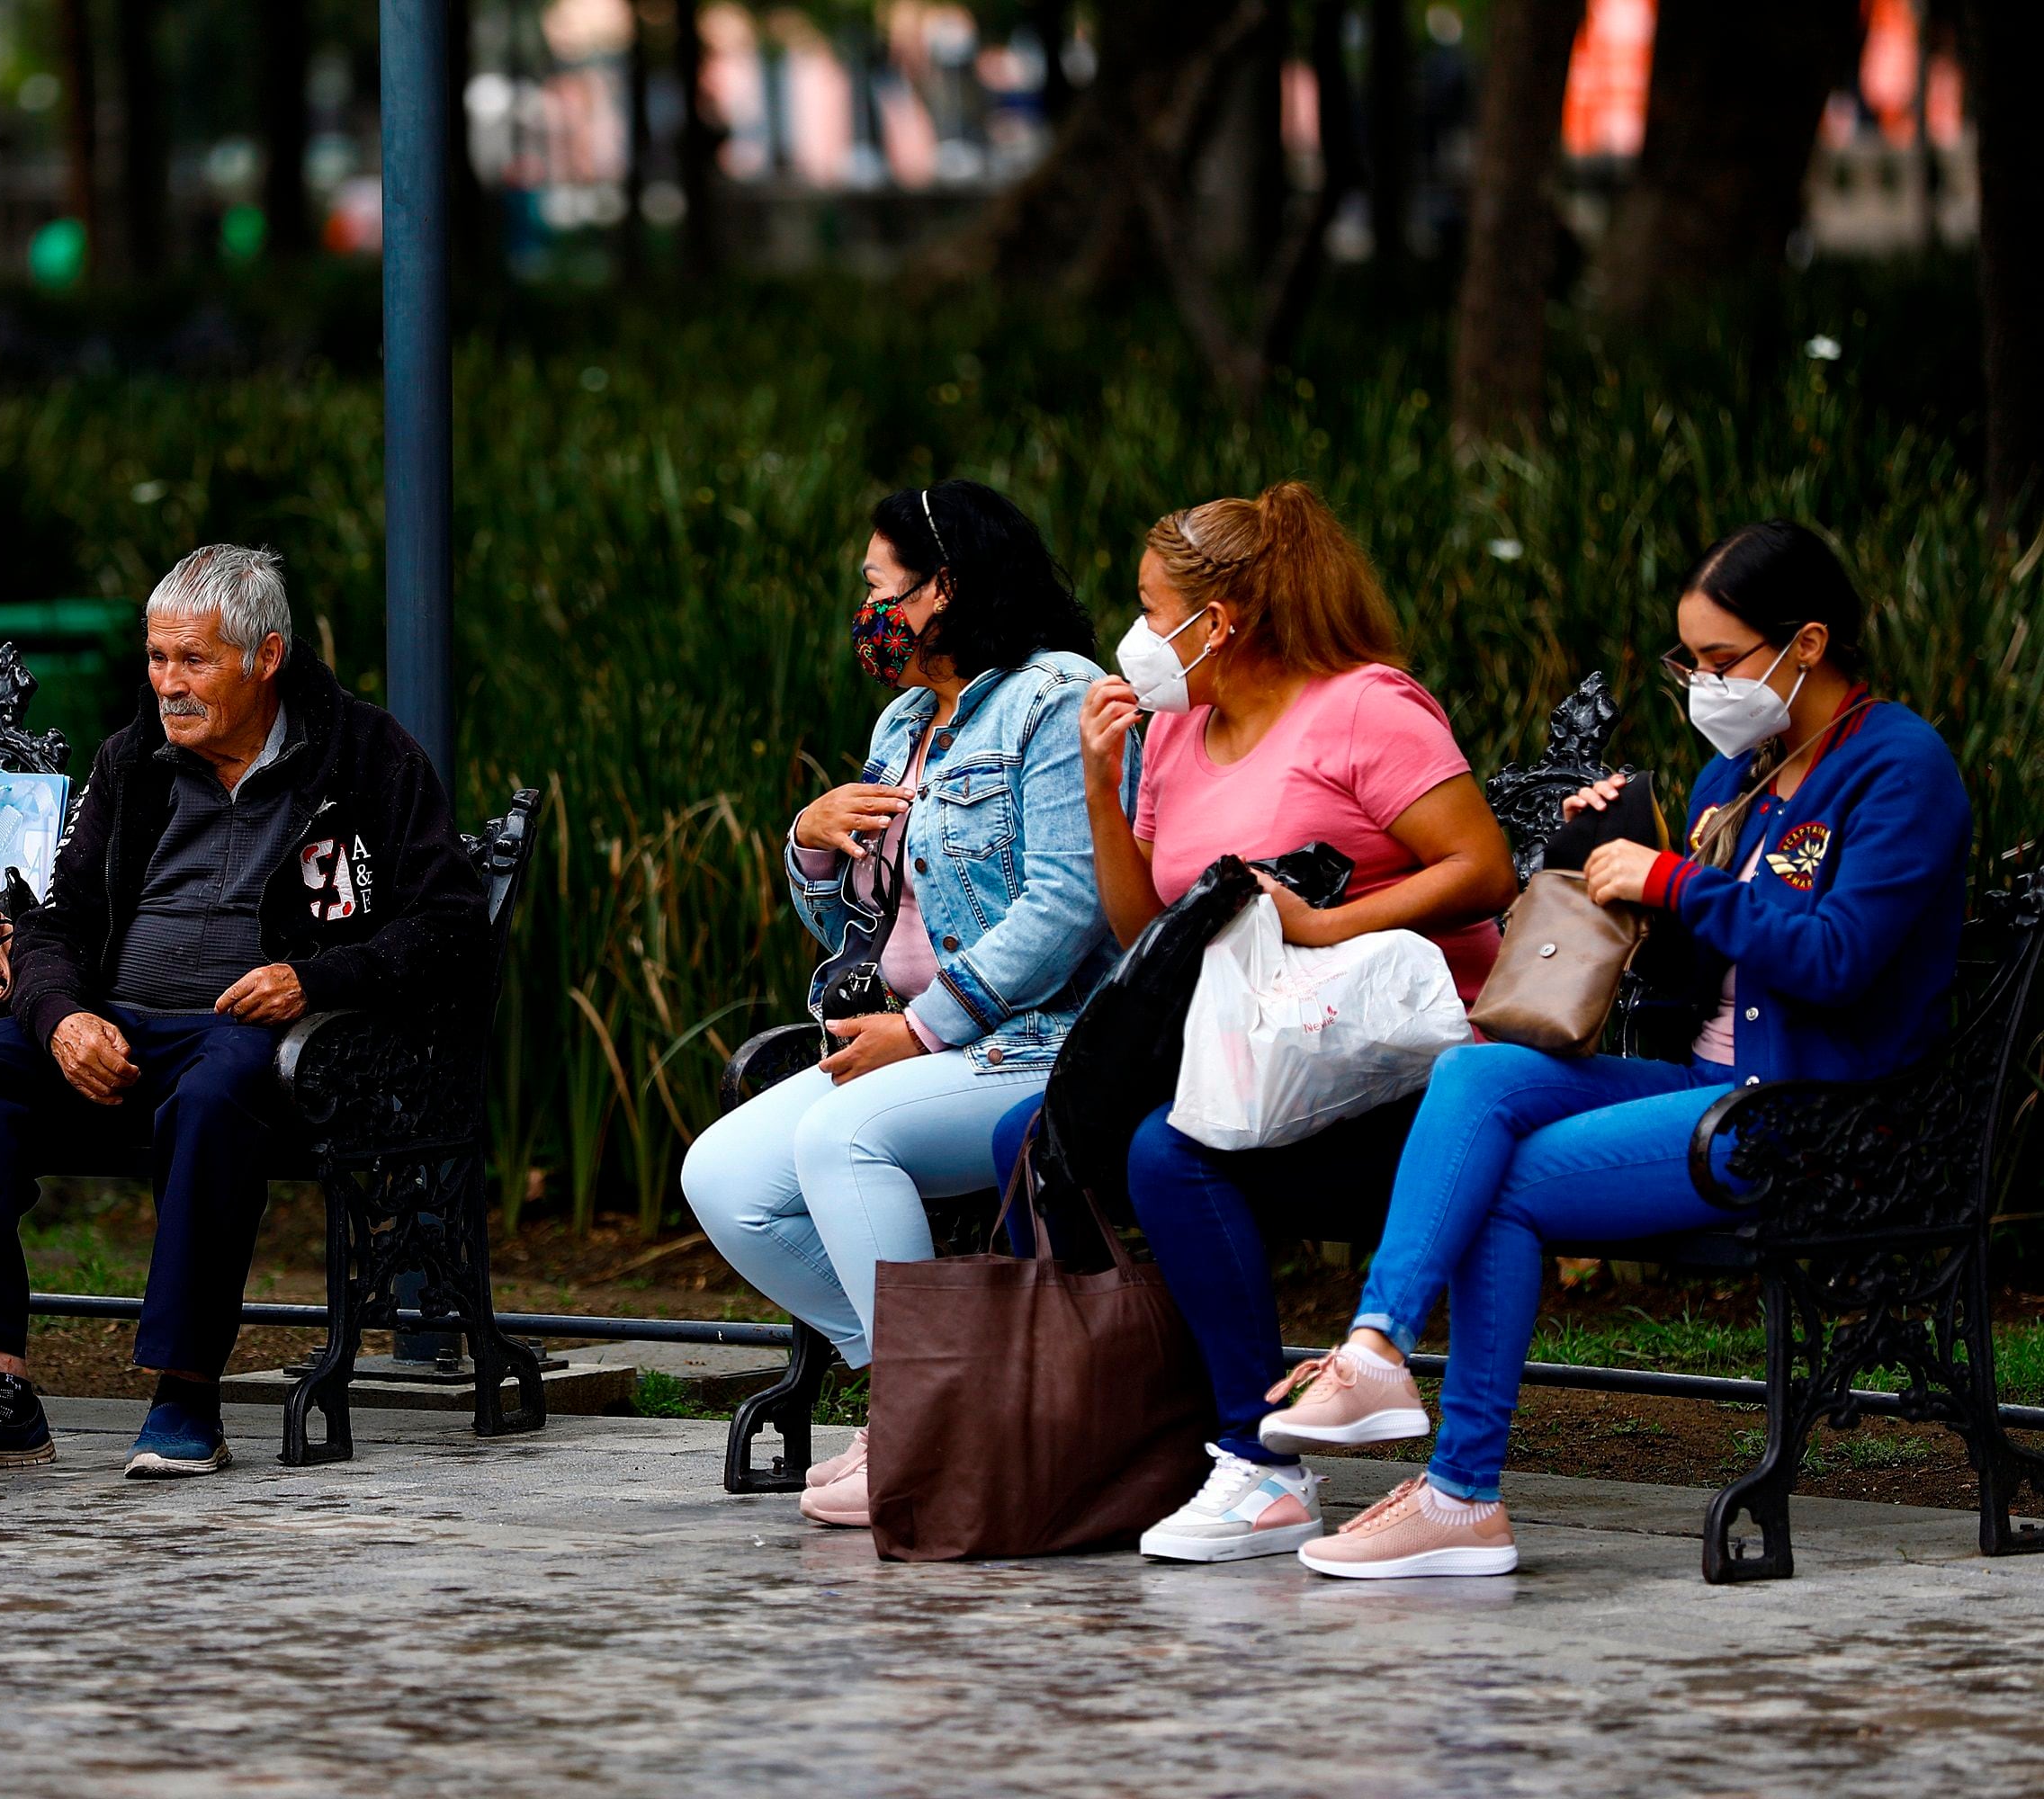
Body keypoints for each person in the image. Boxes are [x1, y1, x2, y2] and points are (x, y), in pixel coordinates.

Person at [1269, 520, 1970, 1579]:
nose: (1704, 683)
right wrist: (1602, 851)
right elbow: (1696, 973)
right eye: (1689, 661)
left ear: (1810, 644)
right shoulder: (1737, 775)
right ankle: (1375, 1350)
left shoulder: (1897, 769)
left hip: (1817, 1114)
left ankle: (1461, 1491)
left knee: (1500, 1181)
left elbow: (1836, 961)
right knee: (1477, 1070)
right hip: (1713, 1081)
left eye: (1724, 661)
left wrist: (1674, 881)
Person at [988, 481, 1518, 1563]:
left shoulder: (1366, 706)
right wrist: (1100, 781)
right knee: (1030, 1143)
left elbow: (1484, 869)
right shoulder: (1179, 729)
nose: (1133, 633)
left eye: (1148, 605)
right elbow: (1151, 932)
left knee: (1169, 1155)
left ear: (1217, 621)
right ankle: (1116, 1425)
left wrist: (1327, 924)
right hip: (1250, 1045)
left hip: (1391, 1064)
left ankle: (1259, 1462)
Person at [0, 544, 485, 1481]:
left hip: (268, 1040)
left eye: (194, 660)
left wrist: (315, 980)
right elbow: (60, 918)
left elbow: (447, 923)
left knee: (215, 1093)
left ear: (265, 656)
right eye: (158, 658)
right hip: (115, 1026)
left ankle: (185, 1392)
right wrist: (61, 1018)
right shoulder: (135, 761)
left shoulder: (364, 756)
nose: (169, 683)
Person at [679, 479, 1112, 1530]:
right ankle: (934, 1387)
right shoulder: (907, 716)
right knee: (724, 1175)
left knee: (841, 1138)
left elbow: (1070, 902)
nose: (864, 612)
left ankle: (915, 1418)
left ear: (943, 587)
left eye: (879, 587)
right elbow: (856, 930)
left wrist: (925, 1027)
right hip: (907, 1040)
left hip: (1033, 1043)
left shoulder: (1055, 698)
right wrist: (811, 842)